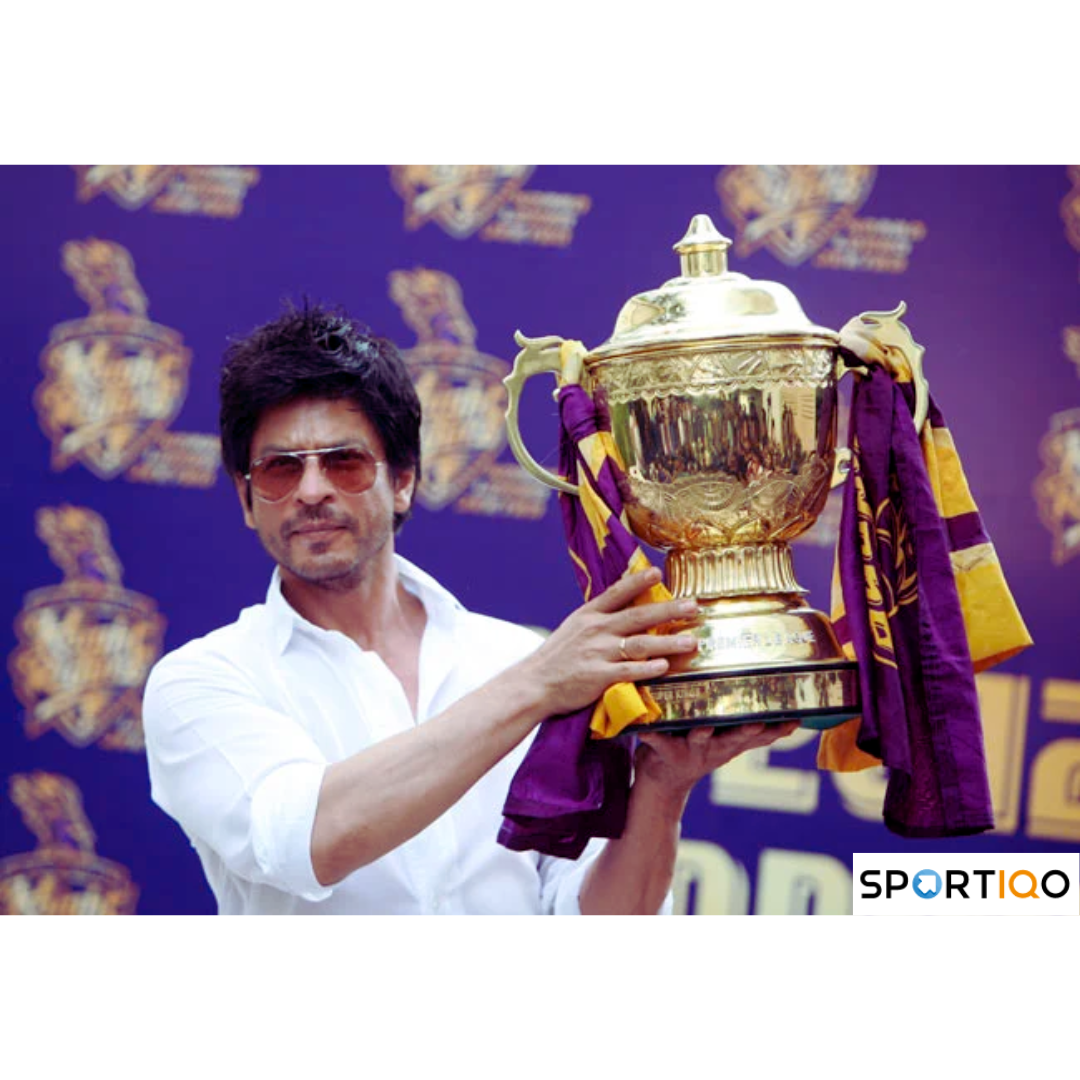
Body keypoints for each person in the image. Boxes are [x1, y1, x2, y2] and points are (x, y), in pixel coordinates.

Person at [143, 303, 796, 916]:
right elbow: (308, 841)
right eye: (281, 470)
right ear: (247, 498)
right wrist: (535, 687)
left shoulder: (512, 659)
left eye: (344, 462)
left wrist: (661, 788)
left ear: (403, 481)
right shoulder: (201, 681)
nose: (312, 491)